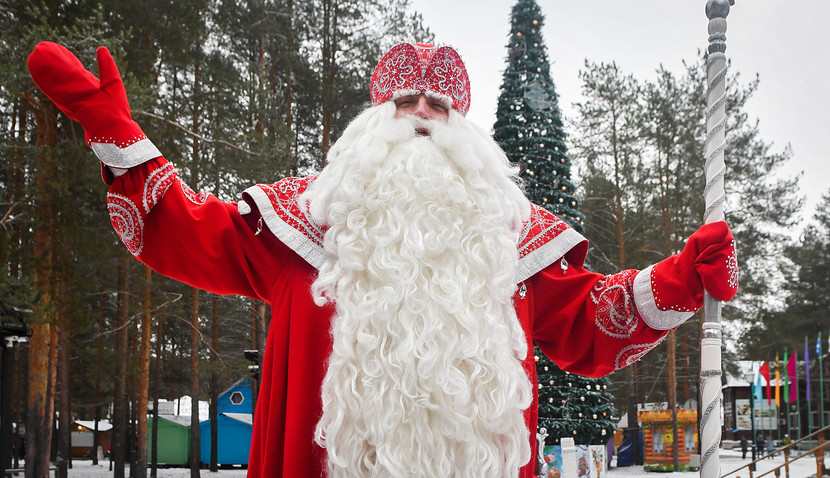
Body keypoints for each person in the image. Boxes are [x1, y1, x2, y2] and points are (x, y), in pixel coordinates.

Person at [27, 41, 738, 478]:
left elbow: (590, 323)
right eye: (406, 101)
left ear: (465, 132)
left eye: (438, 103)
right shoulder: (298, 226)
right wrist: (115, 132)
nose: (423, 112)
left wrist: (681, 278)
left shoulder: (511, 242)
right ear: (373, 122)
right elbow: (187, 232)